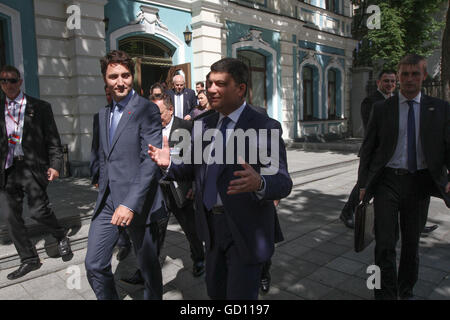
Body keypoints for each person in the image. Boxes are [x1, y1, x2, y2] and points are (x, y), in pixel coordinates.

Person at [149, 57, 292, 300]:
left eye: (220, 84)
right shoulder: (201, 124)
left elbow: (283, 181)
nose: (211, 89)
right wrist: (169, 162)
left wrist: (260, 183)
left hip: (246, 230)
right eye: (209, 83)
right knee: (216, 294)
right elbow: (188, 168)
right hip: (211, 230)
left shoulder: (264, 126)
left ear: (240, 89)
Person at [357, 54, 450, 300]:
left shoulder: (440, 109)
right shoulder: (382, 108)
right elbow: (368, 149)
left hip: (418, 184)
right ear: (398, 76)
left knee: (411, 246)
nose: (409, 79)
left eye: (415, 74)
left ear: (424, 75)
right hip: (387, 181)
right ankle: (383, 294)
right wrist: (364, 185)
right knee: (384, 245)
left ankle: (405, 291)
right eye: (405, 74)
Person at [84, 50, 167, 300]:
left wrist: (130, 204)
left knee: (149, 269)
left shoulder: (147, 109)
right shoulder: (102, 113)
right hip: (108, 200)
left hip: (139, 202)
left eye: (125, 75)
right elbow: (101, 151)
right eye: (113, 76)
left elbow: (149, 161)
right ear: (105, 79)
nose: (120, 82)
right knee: (94, 264)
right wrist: (97, 175)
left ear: (132, 77)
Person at [0, 65, 73, 280]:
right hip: (7, 170)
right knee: (10, 216)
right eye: (3, 81)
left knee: (38, 211)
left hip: (31, 168)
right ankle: (29, 259)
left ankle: (60, 235)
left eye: (12, 80)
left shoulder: (39, 107)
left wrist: (55, 165)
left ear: (20, 82)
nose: (8, 85)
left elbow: (53, 140)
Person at [340, 70, 396, 229]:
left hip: (392, 154)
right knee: (363, 184)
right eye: (386, 81)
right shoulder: (370, 101)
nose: (390, 84)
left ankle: (415, 221)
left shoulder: (397, 101)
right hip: (375, 153)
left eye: (393, 81)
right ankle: (347, 212)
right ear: (379, 82)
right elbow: (370, 128)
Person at [90, 85, 131, 262]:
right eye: (106, 94)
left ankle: (128, 240)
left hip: (127, 177)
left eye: (111, 94)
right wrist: (96, 174)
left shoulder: (134, 112)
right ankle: (123, 242)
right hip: (107, 177)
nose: (109, 97)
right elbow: (96, 148)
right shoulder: (100, 116)